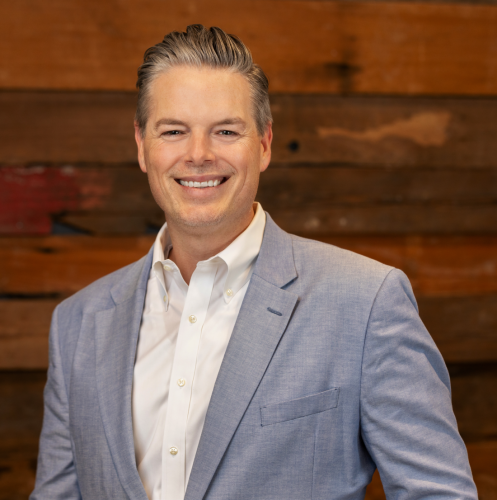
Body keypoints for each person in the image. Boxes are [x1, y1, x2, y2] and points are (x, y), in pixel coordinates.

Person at [31, 24, 477, 500]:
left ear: (263, 144)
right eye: (174, 131)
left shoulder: (366, 303)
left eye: (226, 131)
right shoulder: (77, 324)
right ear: (142, 146)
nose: (198, 154)